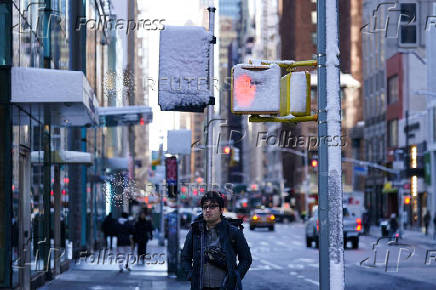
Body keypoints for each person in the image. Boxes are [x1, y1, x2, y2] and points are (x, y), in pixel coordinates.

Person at [181, 191, 252, 290]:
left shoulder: (233, 232)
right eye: (205, 207)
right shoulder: (195, 231)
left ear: (221, 210)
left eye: (213, 206)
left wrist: (235, 277)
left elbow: (246, 259)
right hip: (200, 287)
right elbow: (185, 257)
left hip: (225, 287)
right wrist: (191, 275)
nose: (208, 210)